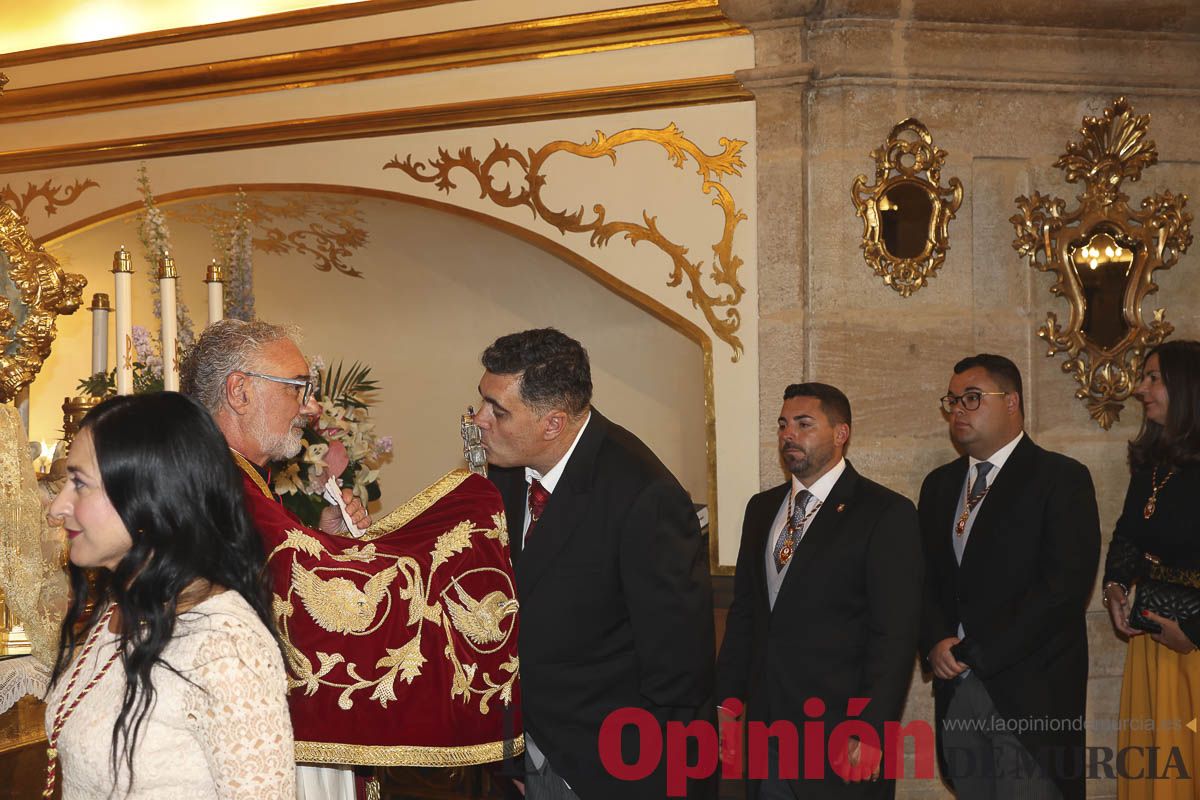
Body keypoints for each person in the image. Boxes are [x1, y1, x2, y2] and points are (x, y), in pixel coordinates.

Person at [182, 319, 522, 800]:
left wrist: (328, 540)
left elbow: (273, 569)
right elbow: (294, 585)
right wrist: (465, 513)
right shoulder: (216, 479)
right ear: (239, 391)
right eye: (297, 388)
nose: (311, 407)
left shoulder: (230, 473)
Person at [473, 328, 715, 800]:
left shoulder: (645, 495)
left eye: (498, 411)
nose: (480, 419)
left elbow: (679, 670)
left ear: (552, 423)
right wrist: (516, 759)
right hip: (528, 755)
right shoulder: (499, 475)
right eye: (482, 401)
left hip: (613, 769)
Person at [44, 392, 294, 799]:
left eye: (79, 484)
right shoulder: (122, 604)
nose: (57, 508)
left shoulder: (225, 647)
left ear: (149, 498)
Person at [716, 382, 923, 798]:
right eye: (782, 425)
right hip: (766, 726)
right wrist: (726, 702)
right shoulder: (761, 509)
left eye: (804, 424)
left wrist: (870, 730)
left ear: (841, 433)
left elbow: (894, 636)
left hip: (838, 730)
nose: (788, 434)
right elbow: (745, 613)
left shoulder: (884, 512)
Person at [919, 354, 1100, 800]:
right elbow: (923, 578)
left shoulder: (1060, 478)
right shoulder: (939, 485)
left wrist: (974, 652)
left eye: (972, 398)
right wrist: (936, 641)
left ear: (1013, 402)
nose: (957, 409)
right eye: (952, 400)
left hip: (1031, 691)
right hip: (956, 687)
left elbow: (1062, 590)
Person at [1101, 339, 1200, 798]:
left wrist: (1194, 633)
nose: (1141, 389)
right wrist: (1116, 587)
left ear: (1187, 386)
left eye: (1153, 378)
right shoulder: (1153, 464)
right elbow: (1128, 535)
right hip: (1154, 640)